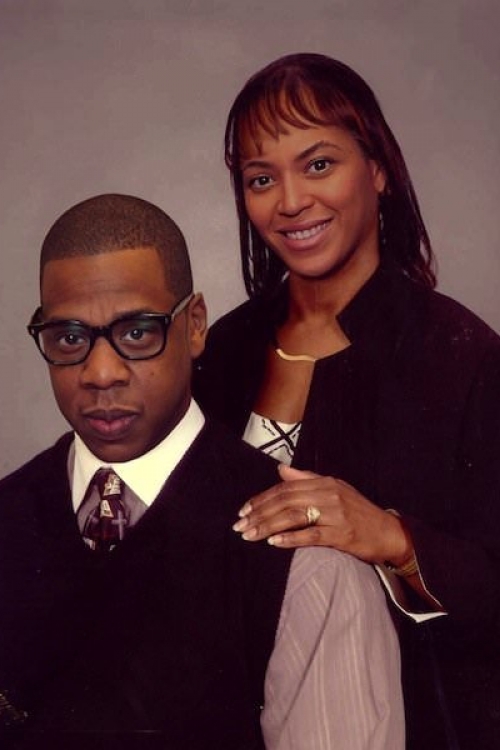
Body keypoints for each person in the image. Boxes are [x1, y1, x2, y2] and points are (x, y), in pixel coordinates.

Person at [0, 193, 403, 750]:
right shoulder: (9, 516)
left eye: (136, 332)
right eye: (70, 338)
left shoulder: (305, 562)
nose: (100, 372)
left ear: (194, 326)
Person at [193, 53, 500, 749]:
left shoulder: (464, 356)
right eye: (262, 179)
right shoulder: (219, 353)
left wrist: (393, 538)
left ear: (379, 169)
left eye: (319, 164)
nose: (291, 201)